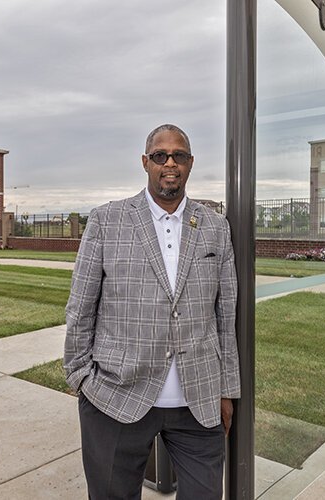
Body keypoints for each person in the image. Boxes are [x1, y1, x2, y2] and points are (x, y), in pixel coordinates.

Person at [64, 124, 241, 499]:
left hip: (198, 404)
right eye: (161, 156)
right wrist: (80, 377)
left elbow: (226, 315)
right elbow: (81, 307)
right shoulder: (106, 221)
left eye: (179, 155)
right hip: (116, 397)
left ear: (191, 163)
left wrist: (227, 389)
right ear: (146, 163)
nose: (170, 163)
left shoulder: (215, 228)